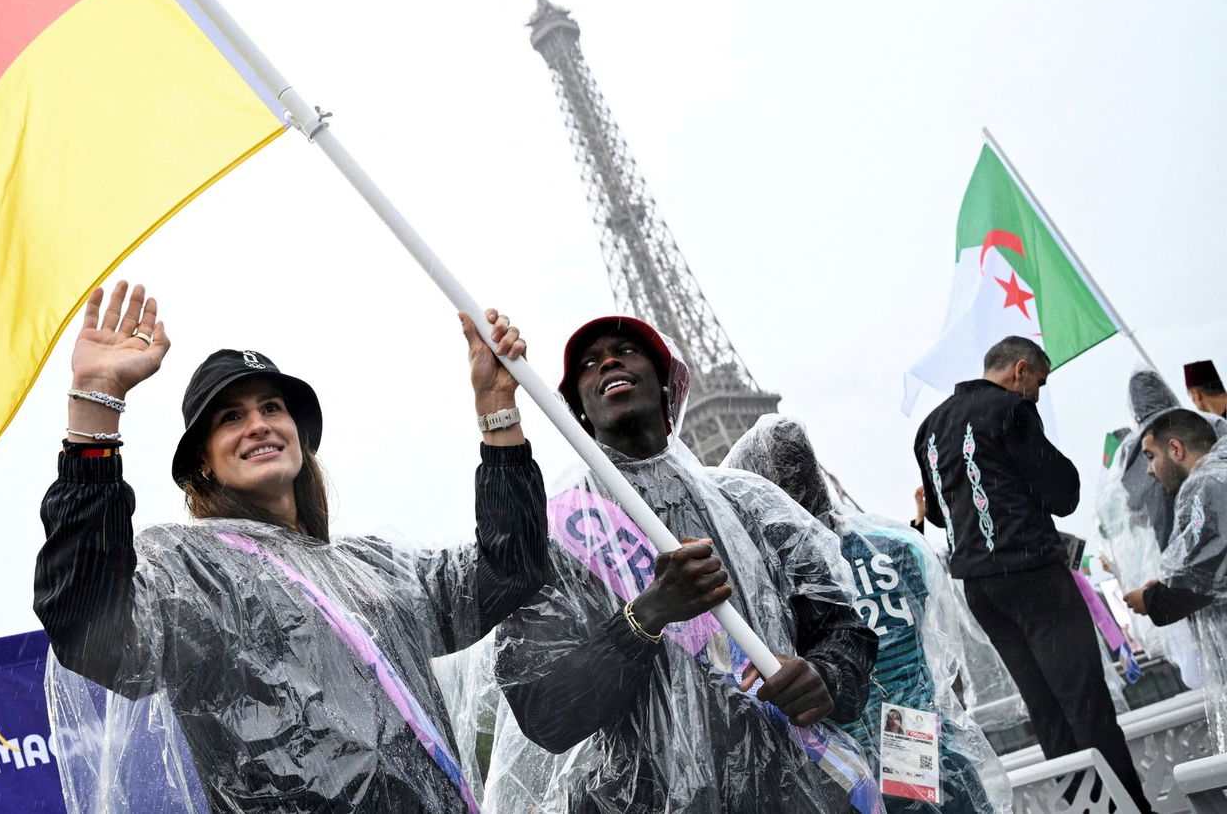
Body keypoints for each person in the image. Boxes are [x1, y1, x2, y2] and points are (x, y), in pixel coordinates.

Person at [34, 282, 549, 814]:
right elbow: (93, 628)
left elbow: (509, 570)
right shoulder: (191, 570)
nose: (258, 425)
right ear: (204, 462)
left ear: (298, 435)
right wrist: (94, 407)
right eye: (230, 417)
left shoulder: (370, 570)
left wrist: (497, 408)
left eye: (271, 408)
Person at [482, 316, 878, 814]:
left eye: (627, 350)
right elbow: (544, 713)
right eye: (588, 363)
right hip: (648, 800)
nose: (608, 361)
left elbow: (843, 629)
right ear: (577, 413)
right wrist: (647, 615)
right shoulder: (557, 540)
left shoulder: (753, 504)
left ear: (669, 382)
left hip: (793, 790)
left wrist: (825, 677)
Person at [724, 414, 1008, 814]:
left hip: (846, 770)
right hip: (923, 741)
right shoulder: (898, 546)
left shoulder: (773, 582)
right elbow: (939, 652)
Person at [913, 336, 1150, 811]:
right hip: (1032, 572)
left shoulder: (928, 429)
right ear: (1020, 371)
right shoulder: (1010, 410)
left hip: (980, 587)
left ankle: (1087, 809)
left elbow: (939, 513)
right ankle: (1131, 808)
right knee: (1085, 701)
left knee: (1045, 708)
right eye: (1039, 381)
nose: (1038, 393)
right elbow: (1063, 493)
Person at [1122, 408, 1227, 750]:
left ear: (1176, 449)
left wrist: (1151, 600)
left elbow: (1202, 579)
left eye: (1151, 457)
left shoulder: (1205, 484)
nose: (1149, 470)